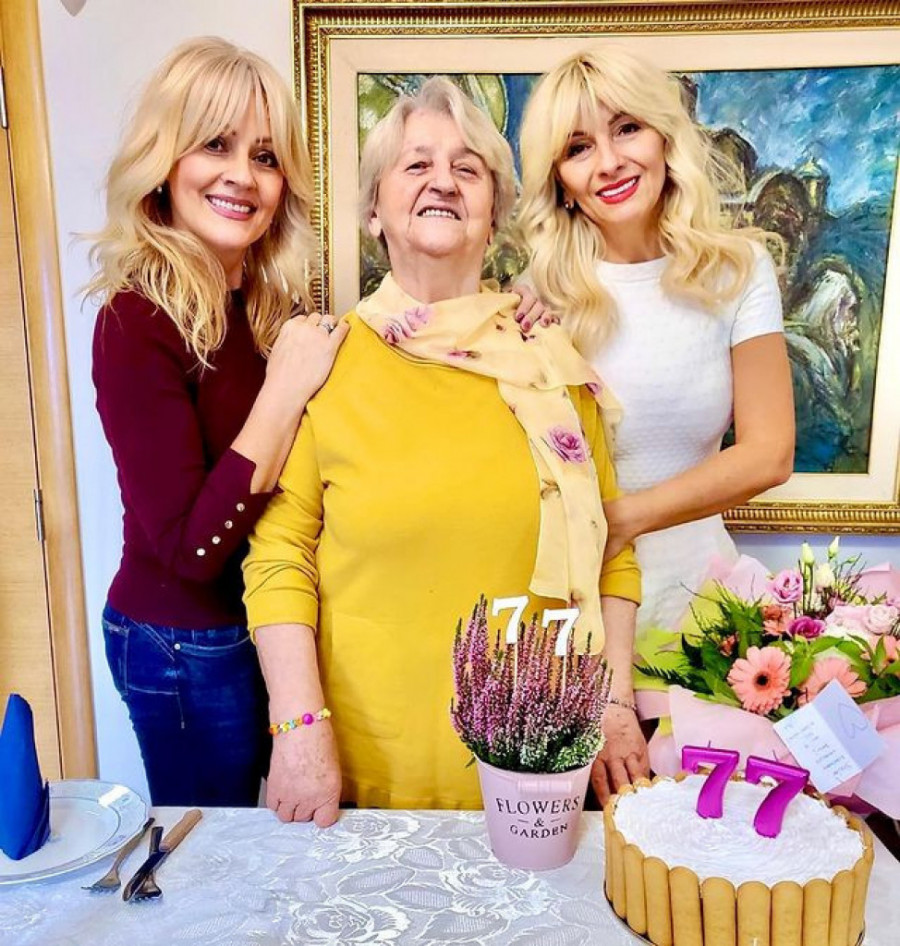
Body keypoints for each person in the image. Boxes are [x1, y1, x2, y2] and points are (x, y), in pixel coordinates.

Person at [243, 77, 643, 826]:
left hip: (538, 776)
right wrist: (296, 728)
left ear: (494, 213)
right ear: (374, 210)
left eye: (467, 168)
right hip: (361, 773)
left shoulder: (552, 366)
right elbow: (278, 559)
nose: (443, 182)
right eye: (416, 164)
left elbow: (611, 553)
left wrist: (615, 704)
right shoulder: (324, 361)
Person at [517, 48, 795, 799]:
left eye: (626, 129)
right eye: (578, 147)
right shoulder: (537, 294)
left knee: (704, 845)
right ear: (559, 179)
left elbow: (769, 452)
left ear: (665, 136)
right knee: (581, 847)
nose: (608, 162)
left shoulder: (737, 271)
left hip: (706, 619)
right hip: (578, 627)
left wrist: (625, 518)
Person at [88, 37, 350, 806]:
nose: (242, 174)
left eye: (265, 156)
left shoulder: (263, 310)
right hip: (181, 642)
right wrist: (284, 391)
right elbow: (190, 550)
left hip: (258, 623)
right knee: (213, 854)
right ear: (164, 163)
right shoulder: (135, 319)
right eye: (215, 145)